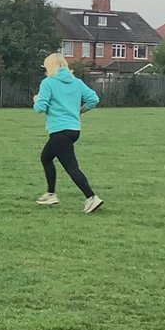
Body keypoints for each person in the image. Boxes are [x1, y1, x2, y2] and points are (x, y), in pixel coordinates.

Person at [33, 53, 102, 212]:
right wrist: (80, 111)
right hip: (73, 129)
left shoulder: (48, 83)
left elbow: (40, 108)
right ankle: (51, 193)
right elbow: (93, 99)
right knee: (46, 157)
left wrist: (36, 99)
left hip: (59, 130)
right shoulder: (76, 82)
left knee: (71, 167)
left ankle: (91, 197)